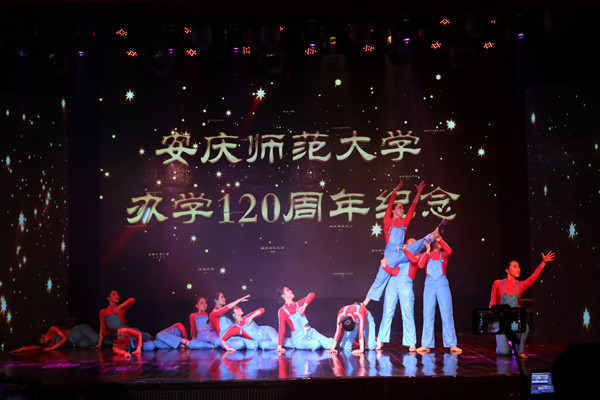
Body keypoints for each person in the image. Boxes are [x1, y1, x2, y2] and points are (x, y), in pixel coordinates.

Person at [362, 179, 426, 307]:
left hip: (401, 252)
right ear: (393, 211)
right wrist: (396, 190)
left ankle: (432, 236)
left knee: (418, 243)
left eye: (403, 208)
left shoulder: (404, 223)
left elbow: (413, 207)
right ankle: (364, 303)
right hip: (391, 254)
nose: (402, 209)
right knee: (380, 278)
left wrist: (418, 192)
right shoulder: (388, 221)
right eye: (399, 207)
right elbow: (390, 204)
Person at [490, 251, 556, 358]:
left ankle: (520, 350)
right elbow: (493, 302)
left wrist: (543, 263)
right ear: (507, 270)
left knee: (525, 326)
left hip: (514, 320)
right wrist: (491, 320)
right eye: (515, 266)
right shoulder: (497, 283)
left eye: (519, 267)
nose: (518, 269)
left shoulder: (520, 286)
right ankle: (506, 345)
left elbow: (533, 278)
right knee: (503, 353)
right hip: (501, 321)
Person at [375, 238, 431, 351]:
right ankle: (380, 340)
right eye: (410, 242)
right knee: (387, 311)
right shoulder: (401, 256)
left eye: (414, 243)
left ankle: (411, 343)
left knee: (408, 313)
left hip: (406, 285)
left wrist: (427, 250)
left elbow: (418, 263)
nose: (412, 244)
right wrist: (385, 266)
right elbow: (395, 272)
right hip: (393, 283)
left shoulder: (418, 255)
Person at [417, 234, 462, 354]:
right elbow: (420, 265)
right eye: (436, 240)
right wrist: (427, 250)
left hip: (442, 283)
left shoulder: (444, 255)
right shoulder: (427, 254)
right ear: (432, 243)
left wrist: (439, 239)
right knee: (428, 313)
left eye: (439, 240)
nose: (438, 242)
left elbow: (449, 250)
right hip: (429, 283)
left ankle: (452, 344)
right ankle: (426, 344)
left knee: (447, 313)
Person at [275, 286, 332, 353]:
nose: (291, 291)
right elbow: (282, 328)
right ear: (283, 296)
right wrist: (279, 346)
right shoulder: (282, 310)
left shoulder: (299, 304)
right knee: (316, 344)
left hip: (311, 332)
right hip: (299, 338)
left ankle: (290, 341)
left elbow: (312, 294)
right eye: (288, 290)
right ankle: (289, 341)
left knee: (331, 345)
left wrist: (305, 306)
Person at [10, 324, 101, 352]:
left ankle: (103, 336)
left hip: (78, 331)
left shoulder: (52, 329)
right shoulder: (46, 345)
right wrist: (21, 349)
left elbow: (65, 338)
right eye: (44, 342)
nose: (46, 341)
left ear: (42, 334)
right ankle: (106, 336)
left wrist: (53, 347)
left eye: (44, 338)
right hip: (77, 343)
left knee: (95, 340)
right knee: (96, 343)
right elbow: (34, 347)